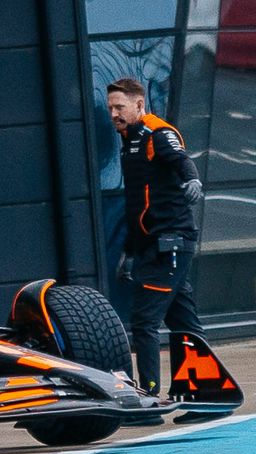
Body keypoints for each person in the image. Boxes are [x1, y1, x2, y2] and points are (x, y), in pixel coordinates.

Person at [106, 77, 210, 425]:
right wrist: (130, 251)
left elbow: (180, 160)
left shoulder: (155, 132)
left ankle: (149, 402)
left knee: (145, 322)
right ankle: (208, 396)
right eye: (110, 109)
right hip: (152, 245)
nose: (114, 114)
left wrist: (192, 179)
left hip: (171, 243)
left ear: (139, 104)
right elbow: (139, 204)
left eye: (120, 107)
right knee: (183, 322)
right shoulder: (127, 140)